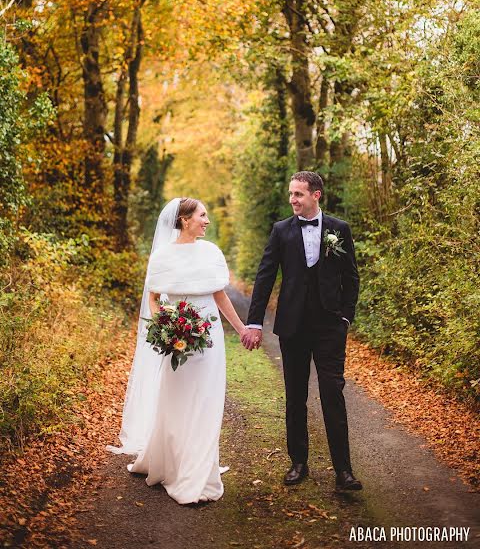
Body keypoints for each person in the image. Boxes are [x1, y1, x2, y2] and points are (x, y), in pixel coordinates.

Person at [107, 197, 246, 505]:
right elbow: (154, 298)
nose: (207, 220)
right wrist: (166, 326)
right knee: (178, 400)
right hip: (178, 341)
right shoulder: (163, 256)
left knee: (207, 401)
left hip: (209, 339)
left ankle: (200, 470)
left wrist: (242, 329)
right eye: (202, 215)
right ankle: (175, 466)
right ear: (185, 220)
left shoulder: (211, 252)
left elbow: (220, 297)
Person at [241, 171, 362, 492]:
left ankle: (344, 471)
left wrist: (345, 318)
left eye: (298, 194)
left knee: (332, 394)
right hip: (292, 328)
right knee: (295, 397)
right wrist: (254, 322)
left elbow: (352, 278)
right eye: (291, 194)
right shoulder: (281, 231)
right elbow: (265, 276)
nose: (293, 200)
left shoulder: (340, 229)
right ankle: (299, 463)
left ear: (316, 195)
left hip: (329, 328)